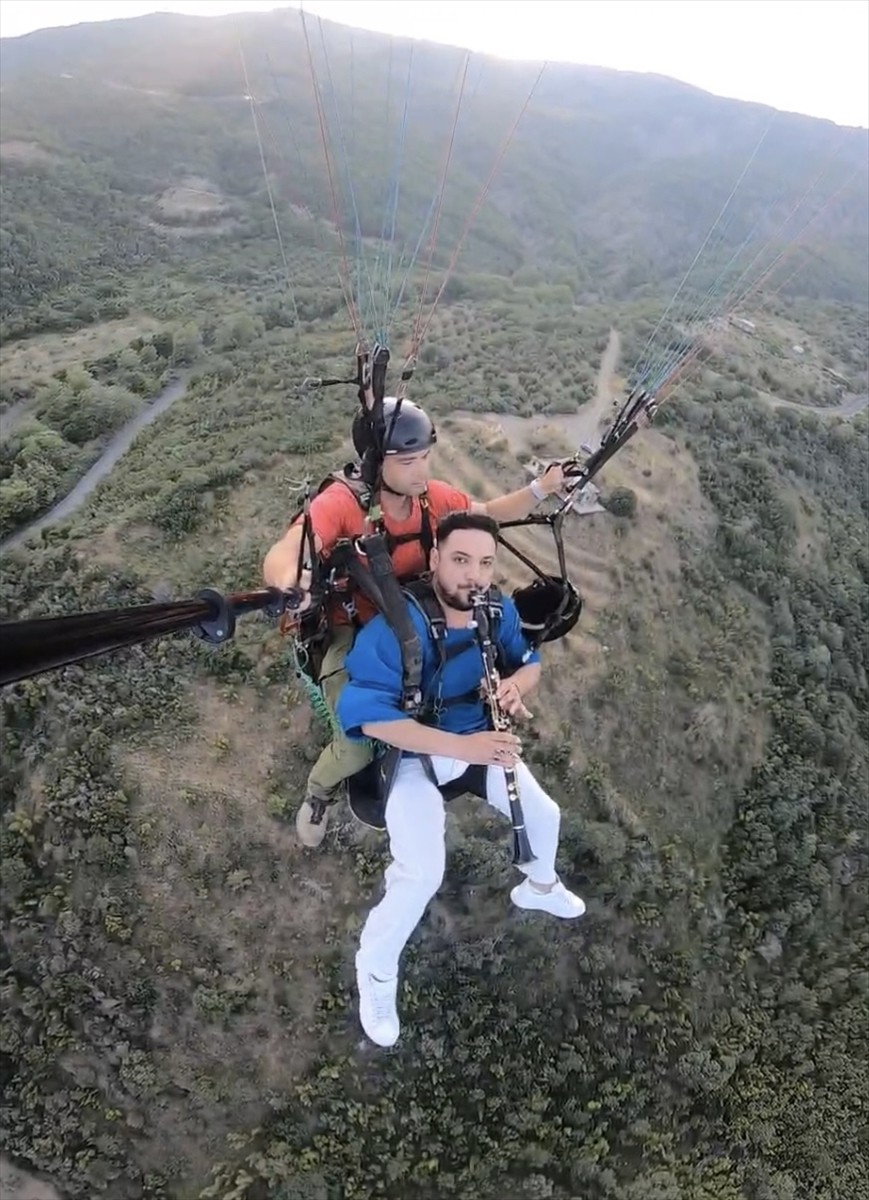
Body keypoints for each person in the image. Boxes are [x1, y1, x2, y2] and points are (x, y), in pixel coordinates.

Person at [262, 397, 566, 848]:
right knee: (358, 742)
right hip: (358, 629)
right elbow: (287, 549)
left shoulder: (431, 499)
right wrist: (289, 579)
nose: (422, 470)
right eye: (408, 461)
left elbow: (484, 513)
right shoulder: (343, 504)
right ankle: (319, 793)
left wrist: (543, 488)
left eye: (425, 457)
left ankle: (438, 761)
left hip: (424, 618)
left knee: (478, 670)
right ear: (376, 460)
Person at [336, 510, 585, 1047]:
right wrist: (463, 747)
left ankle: (539, 886)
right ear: (434, 561)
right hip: (412, 755)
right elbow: (368, 717)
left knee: (545, 816)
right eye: (461, 560)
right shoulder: (396, 629)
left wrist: (518, 686)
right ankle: (375, 971)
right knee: (421, 871)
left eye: (486, 563)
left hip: (477, 738)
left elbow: (530, 660)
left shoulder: (496, 612)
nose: (474, 575)